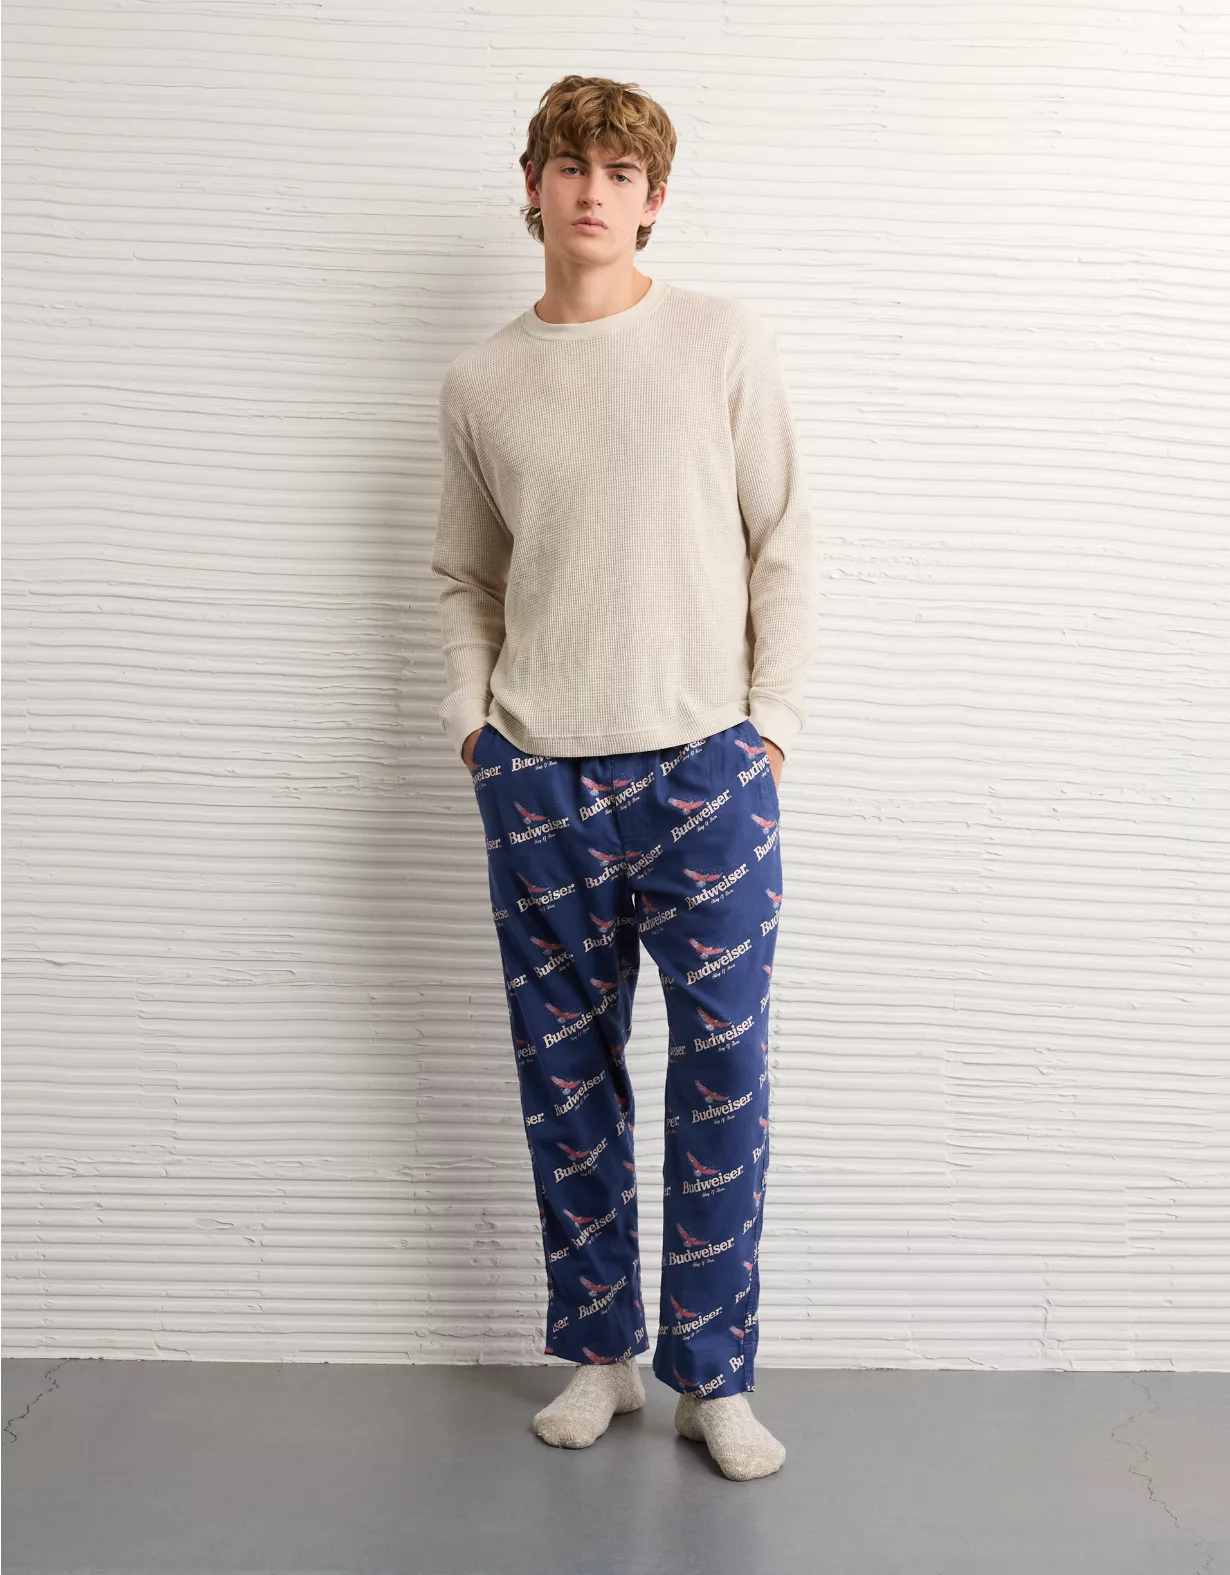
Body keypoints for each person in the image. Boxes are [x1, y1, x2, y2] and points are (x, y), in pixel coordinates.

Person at [430, 74, 816, 1481]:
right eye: (568, 165)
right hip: (538, 776)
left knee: (723, 1076)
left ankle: (713, 1375)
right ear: (531, 186)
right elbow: (466, 575)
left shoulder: (719, 340)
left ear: (652, 200)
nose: (591, 190)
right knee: (564, 1078)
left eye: (618, 171)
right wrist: (473, 731)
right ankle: (600, 1354)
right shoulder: (481, 382)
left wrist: (769, 728)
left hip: (707, 768)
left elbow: (784, 538)